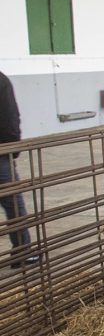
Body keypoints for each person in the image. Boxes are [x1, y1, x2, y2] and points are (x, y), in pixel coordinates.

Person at [0, 71, 38, 269]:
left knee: (13, 202)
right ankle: (23, 250)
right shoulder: (1, 80)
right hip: (1, 154)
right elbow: (9, 116)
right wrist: (11, 148)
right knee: (13, 202)